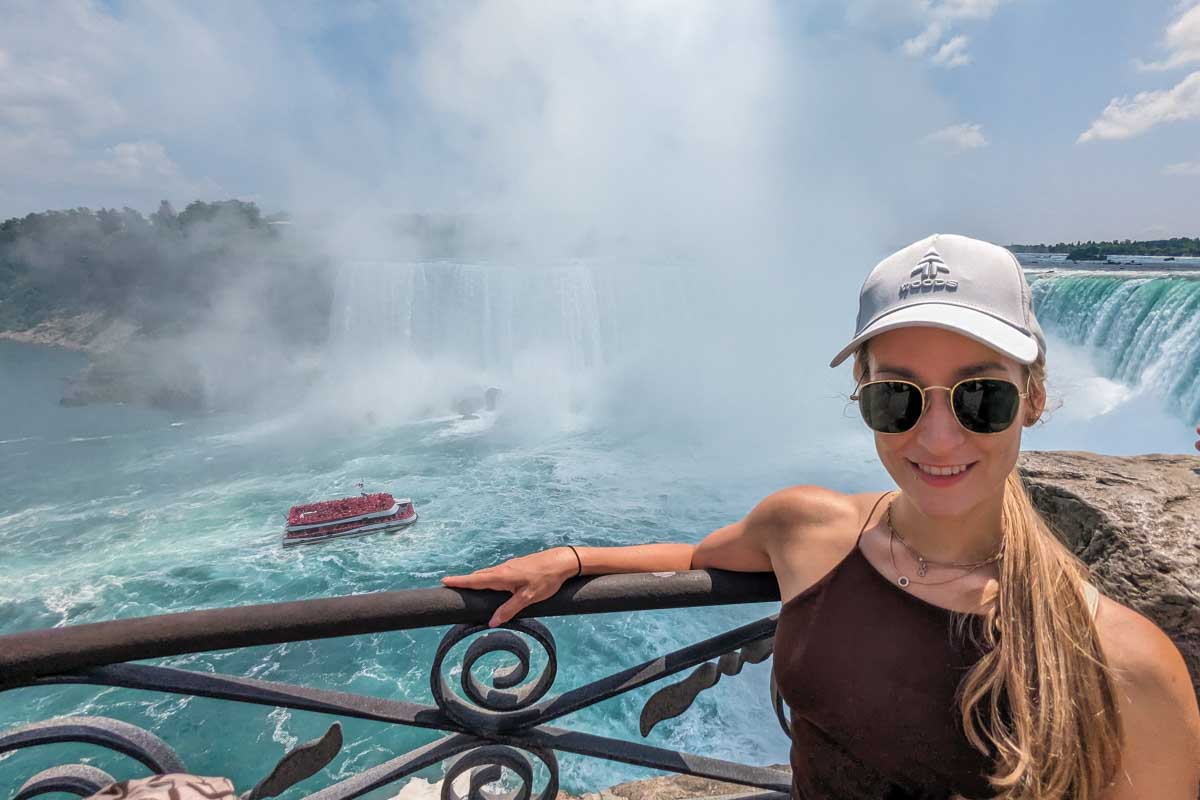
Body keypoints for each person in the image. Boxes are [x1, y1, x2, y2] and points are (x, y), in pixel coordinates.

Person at [441, 234, 1200, 799]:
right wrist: (572, 561)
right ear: (862, 399)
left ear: (1033, 399)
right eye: (897, 396)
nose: (937, 437)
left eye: (981, 396)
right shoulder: (806, 529)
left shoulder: (1122, 667)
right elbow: (697, 556)